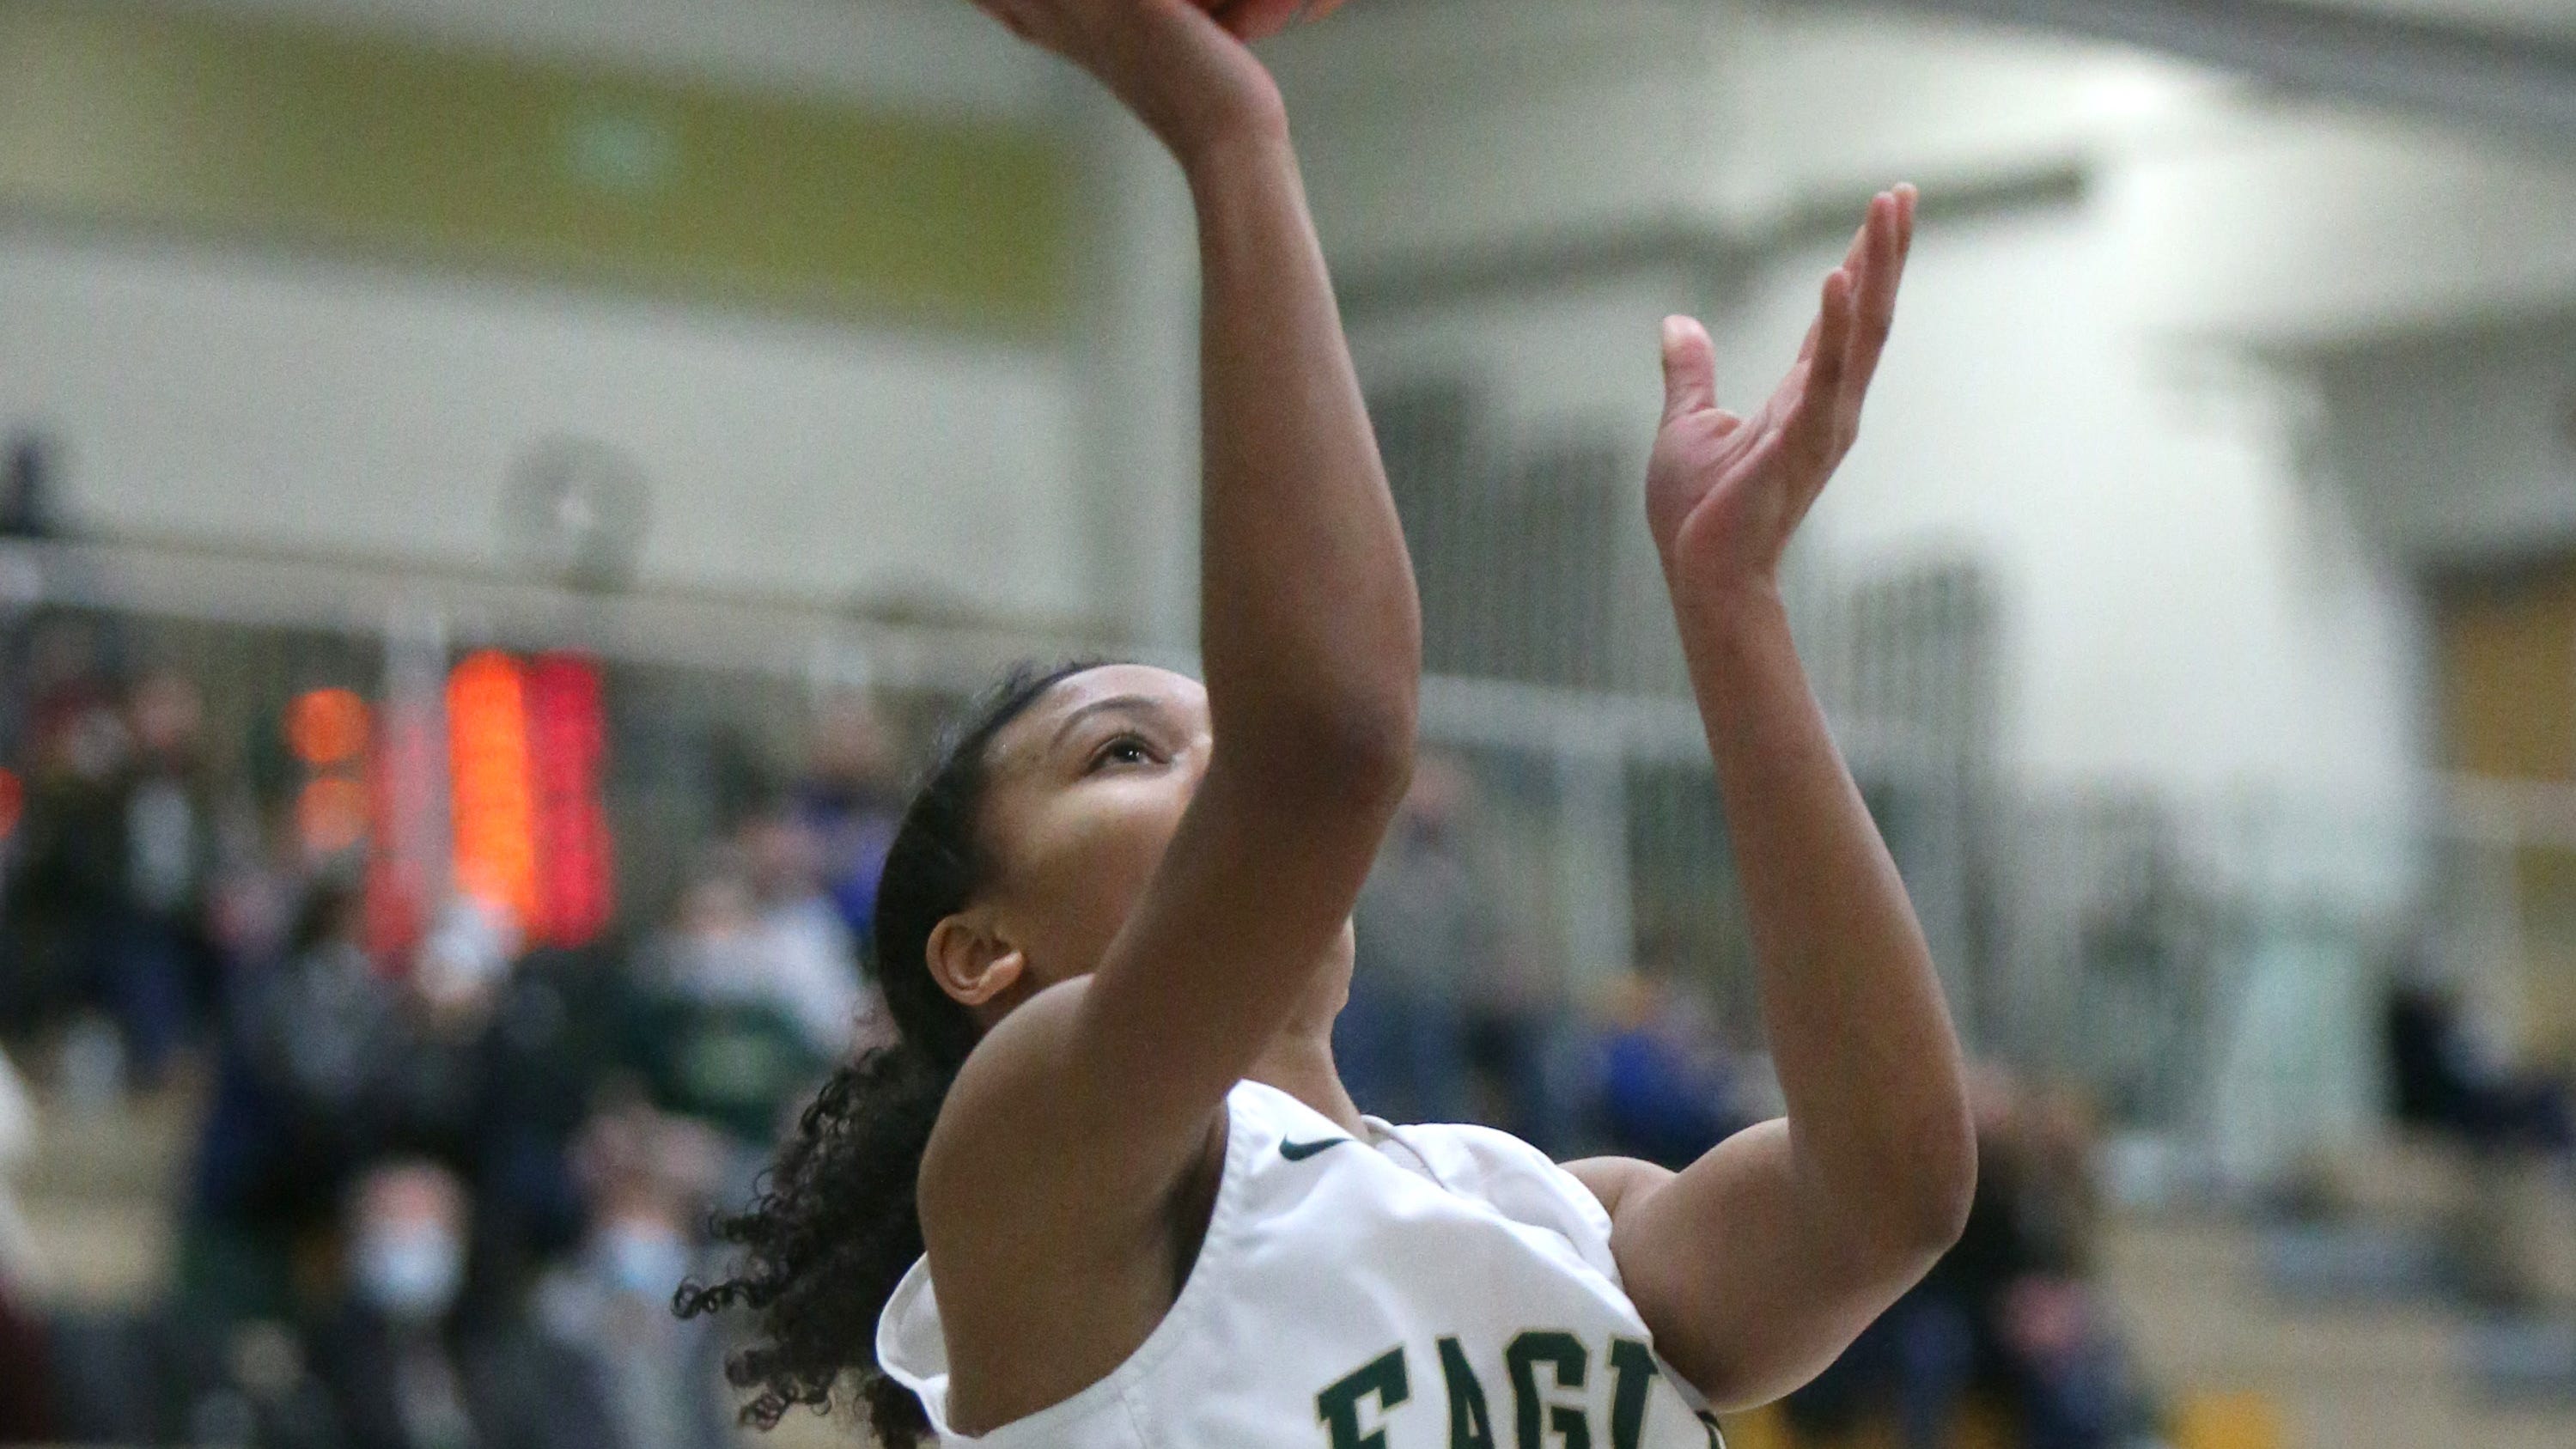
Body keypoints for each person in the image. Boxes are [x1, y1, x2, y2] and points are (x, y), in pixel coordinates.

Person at [680, 4, 1973, 1448]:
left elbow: (1893, 1192)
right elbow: (1329, 750)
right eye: (1127, 750)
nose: (1224, 755)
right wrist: (1231, 135)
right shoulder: (1028, 1164)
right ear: (983, 953)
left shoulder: (1541, 1205)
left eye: (1219, 724)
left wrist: (1732, 610)